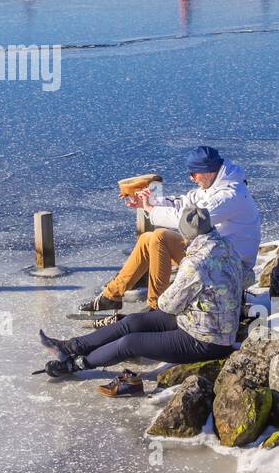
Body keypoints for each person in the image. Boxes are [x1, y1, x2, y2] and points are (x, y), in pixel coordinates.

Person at [39, 206, 245, 378]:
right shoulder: (225, 246)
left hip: (207, 341)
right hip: (199, 322)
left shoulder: (196, 263)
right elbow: (247, 277)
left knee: (131, 342)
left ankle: (76, 365)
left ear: (186, 235)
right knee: (133, 322)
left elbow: (167, 305)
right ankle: (70, 346)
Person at [76, 145, 261, 313]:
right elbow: (185, 202)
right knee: (148, 238)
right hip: (215, 256)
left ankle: (156, 307)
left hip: (232, 268)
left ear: (208, 171)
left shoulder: (229, 196)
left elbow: (190, 220)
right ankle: (112, 295)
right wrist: (149, 202)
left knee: (160, 237)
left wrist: (152, 210)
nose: (191, 178)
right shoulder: (216, 186)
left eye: (193, 173)